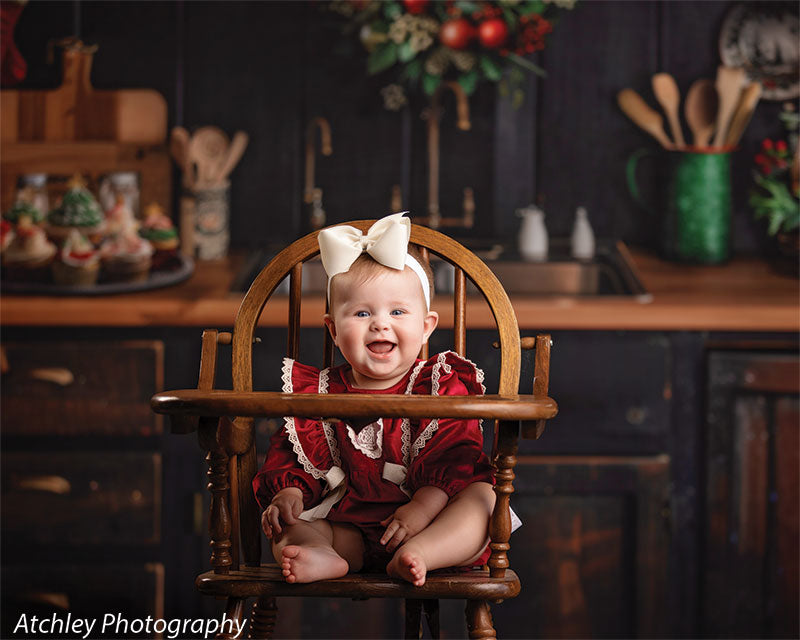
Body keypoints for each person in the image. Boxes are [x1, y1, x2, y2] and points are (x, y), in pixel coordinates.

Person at [252, 212, 497, 587]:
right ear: (333, 329)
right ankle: (323, 555)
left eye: (398, 312)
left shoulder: (439, 384)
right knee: (288, 526)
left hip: (428, 524)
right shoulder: (317, 393)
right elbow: (291, 453)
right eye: (362, 312)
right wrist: (288, 492)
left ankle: (420, 556)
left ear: (426, 326)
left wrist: (421, 509)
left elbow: (456, 457)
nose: (380, 323)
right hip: (347, 530)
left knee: (483, 498)